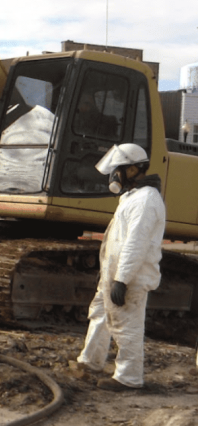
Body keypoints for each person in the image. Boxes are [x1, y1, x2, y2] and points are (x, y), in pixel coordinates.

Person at [76, 143, 166, 390]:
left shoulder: (146, 200)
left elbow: (136, 244)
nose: (114, 176)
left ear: (135, 169)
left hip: (131, 277)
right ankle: (90, 361)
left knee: (127, 326)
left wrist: (122, 280)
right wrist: (108, 275)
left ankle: (129, 378)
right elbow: (117, 240)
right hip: (115, 274)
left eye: (119, 170)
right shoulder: (132, 197)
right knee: (100, 313)